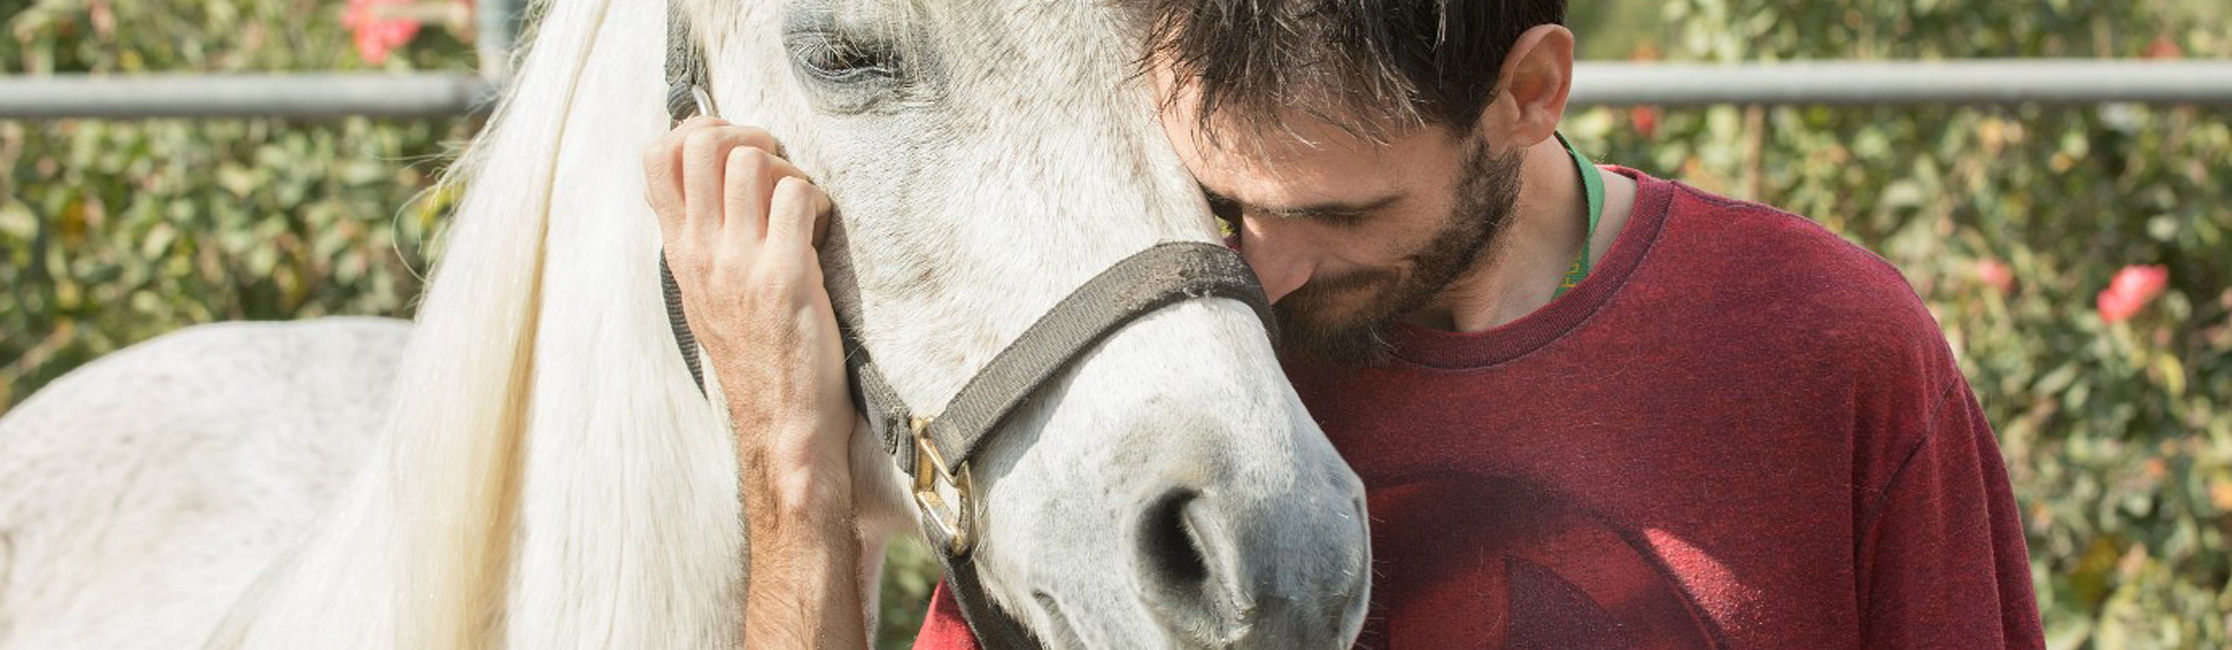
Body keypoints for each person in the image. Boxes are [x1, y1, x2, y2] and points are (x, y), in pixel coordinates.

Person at [641, 1, 2045, 648]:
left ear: (1529, 93)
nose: (1272, 273)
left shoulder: (1827, 347)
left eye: (1345, 214)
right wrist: (789, 453)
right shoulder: (1157, 383)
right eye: (1220, 195)